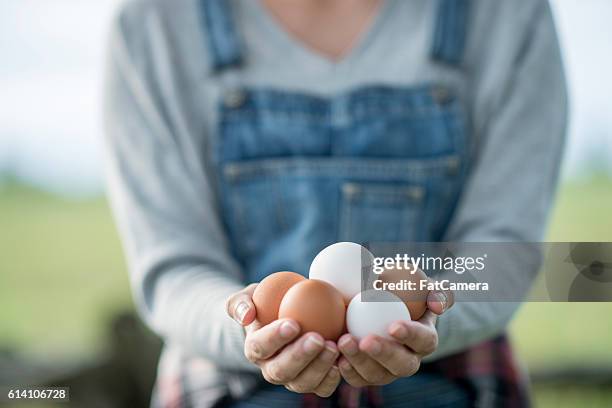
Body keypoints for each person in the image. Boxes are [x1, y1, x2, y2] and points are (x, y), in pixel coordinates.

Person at [103, 0, 567, 406]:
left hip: (451, 385)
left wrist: (429, 312)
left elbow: (502, 250)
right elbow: (176, 268)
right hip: (229, 390)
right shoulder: (155, 24)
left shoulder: (506, 13)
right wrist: (250, 325)